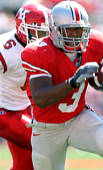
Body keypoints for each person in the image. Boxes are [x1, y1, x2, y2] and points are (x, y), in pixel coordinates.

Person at [21, 1, 103, 170]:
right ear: (54, 29)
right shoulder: (38, 52)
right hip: (47, 128)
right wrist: (73, 81)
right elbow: (40, 97)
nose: (76, 35)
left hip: (78, 117)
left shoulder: (94, 44)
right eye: (70, 30)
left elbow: (96, 73)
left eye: (80, 30)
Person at [0, 3, 50, 170]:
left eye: (44, 32)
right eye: (36, 32)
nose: (41, 37)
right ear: (21, 28)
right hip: (4, 111)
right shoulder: (6, 49)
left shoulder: (46, 47)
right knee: (44, 144)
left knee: (25, 166)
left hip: (23, 108)